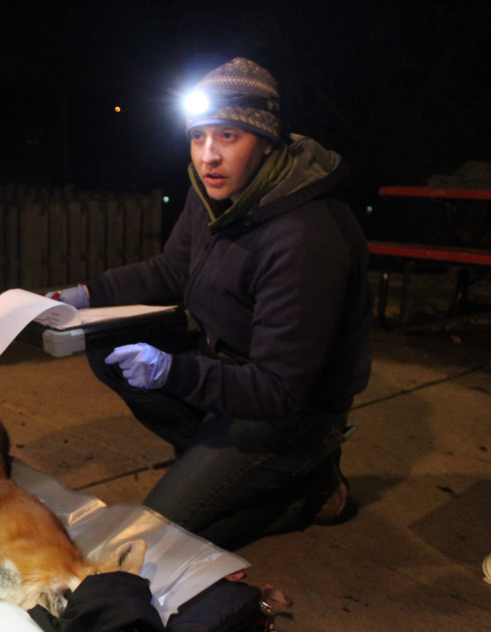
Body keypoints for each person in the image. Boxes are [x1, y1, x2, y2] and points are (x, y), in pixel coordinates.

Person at [50, 57, 372, 550]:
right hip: (230, 376)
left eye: (228, 136)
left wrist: (171, 373)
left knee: (157, 538)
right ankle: (212, 460)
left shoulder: (305, 235)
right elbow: (173, 270)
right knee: (107, 348)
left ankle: (312, 489)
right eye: (198, 136)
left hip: (291, 414)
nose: (208, 157)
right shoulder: (214, 196)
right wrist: (86, 294)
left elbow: (277, 390)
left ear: (265, 141)